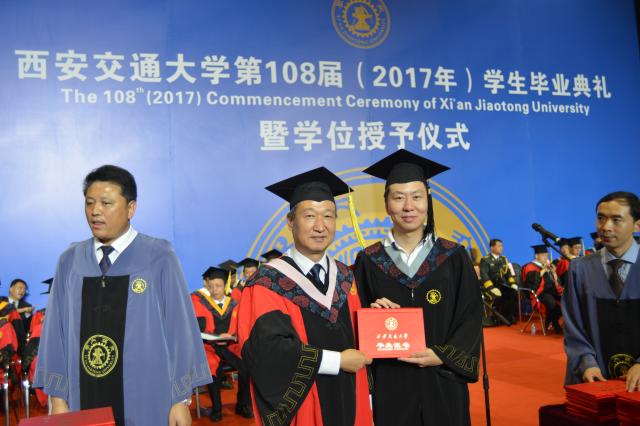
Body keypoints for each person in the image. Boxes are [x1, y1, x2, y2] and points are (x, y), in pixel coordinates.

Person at [34, 165, 210, 426]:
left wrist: (180, 399)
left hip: (147, 398)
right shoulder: (70, 261)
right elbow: (54, 334)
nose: (95, 211)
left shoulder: (158, 256)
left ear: (131, 208)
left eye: (106, 203)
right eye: (89, 203)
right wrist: (58, 397)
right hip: (83, 399)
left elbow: (179, 329)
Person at [353, 149, 482, 426]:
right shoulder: (369, 260)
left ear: (428, 200)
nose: (408, 206)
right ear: (386, 204)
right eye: (399, 197)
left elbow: (471, 314)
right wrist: (371, 316)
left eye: (417, 196)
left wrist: (443, 355)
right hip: (392, 380)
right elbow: (356, 320)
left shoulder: (453, 256)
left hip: (443, 377)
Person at [237, 167, 373, 426]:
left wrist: (379, 317)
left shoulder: (346, 277)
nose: (320, 226)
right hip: (304, 408)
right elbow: (268, 352)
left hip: (351, 398)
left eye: (328, 216)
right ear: (291, 222)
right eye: (309, 216)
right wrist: (337, 361)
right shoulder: (267, 283)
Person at [563, 191, 640, 391]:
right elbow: (573, 325)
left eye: (616, 219)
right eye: (601, 218)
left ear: (637, 225)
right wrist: (586, 363)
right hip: (595, 379)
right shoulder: (580, 269)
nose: (605, 227)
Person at [191, 266, 252, 422]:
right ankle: (216, 409)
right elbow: (198, 329)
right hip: (210, 347)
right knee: (213, 371)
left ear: (225, 286)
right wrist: (215, 337)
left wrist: (233, 335)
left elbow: (242, 326)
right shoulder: (201, 304)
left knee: (246, 367)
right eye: (211, 286)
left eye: (218, 286)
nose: (214, 289)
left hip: (231, 346)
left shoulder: (235, 303)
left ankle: (242, 405)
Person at [521, 245, 563, 333]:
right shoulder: (529, 266)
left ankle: (550, 321)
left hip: (552, 290)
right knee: (552, 303)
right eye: (543, 255)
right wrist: (543, 270)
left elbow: (557, 281)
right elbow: (532, 283)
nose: (545, 257)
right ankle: (554, 323)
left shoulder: (548, 266)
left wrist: (554, 273)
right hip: (539, 292)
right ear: (536, 256)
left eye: (546, 255)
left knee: (565, 300)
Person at [479, 239, 518, 323]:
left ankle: (508, 317)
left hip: (500, 285)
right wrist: (491, 288)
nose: (501, 248)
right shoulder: (485, 260)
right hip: (488, 287)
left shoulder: (504, 259)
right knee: (498, 296)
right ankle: (495, 318)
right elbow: (484, 276)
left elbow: (508, 274)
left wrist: (512, 283)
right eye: (499, 246)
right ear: (492, 247)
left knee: (512, 292)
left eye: (502, 246)